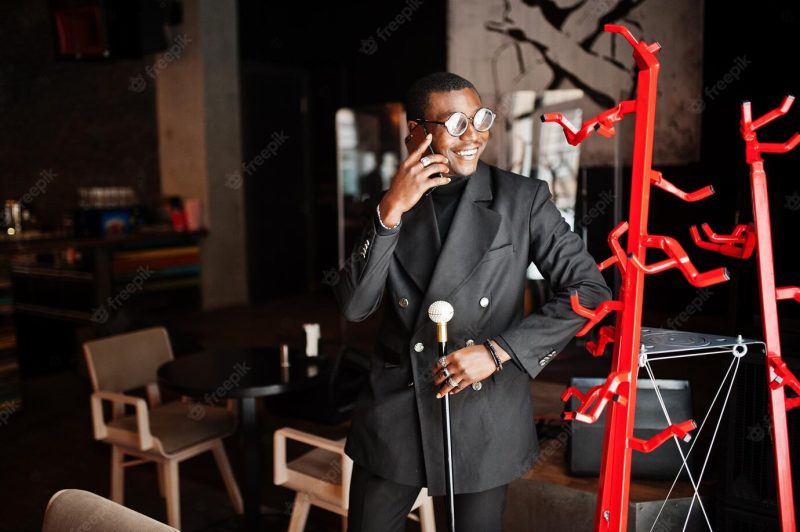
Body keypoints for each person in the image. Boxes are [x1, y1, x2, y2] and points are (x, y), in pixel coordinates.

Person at [333, 72, 611, 531]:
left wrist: (499, 352)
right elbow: (354, 307)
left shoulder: (522, 199)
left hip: (482, 415)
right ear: (417, 133)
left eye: (481, 118)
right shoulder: (384, 205)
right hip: (396, 413)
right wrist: (391, 212)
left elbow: (589, 290)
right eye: (456, 124)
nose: (475, 135)